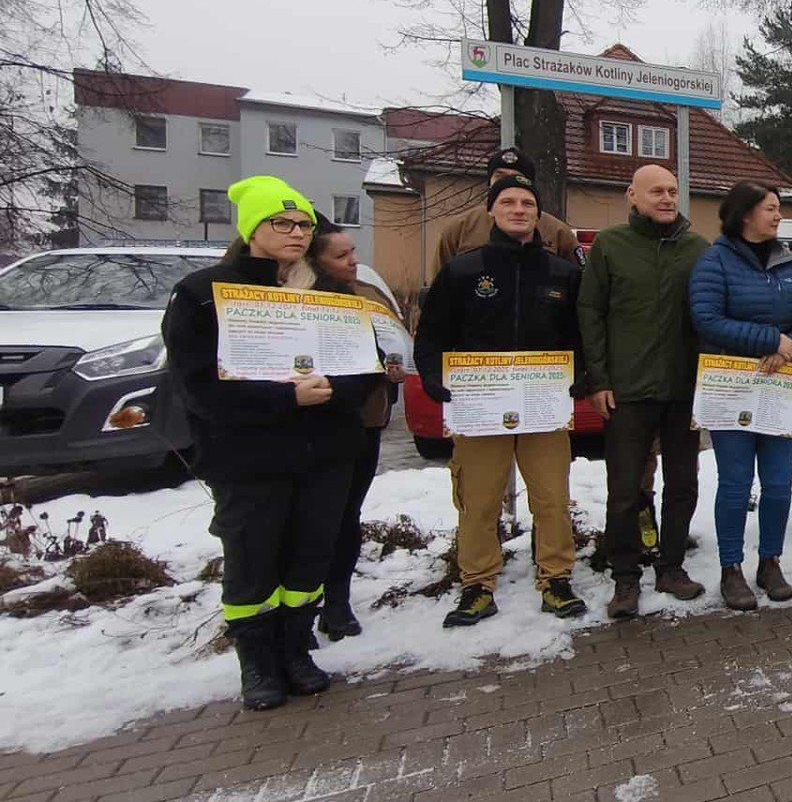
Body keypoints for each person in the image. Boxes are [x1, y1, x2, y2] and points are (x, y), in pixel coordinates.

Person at [161, 176, 376, 709]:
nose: (296, 232)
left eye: (303, 223)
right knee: (253, 558)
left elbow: (362, 366)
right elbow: (197, 386)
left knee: (310, 555)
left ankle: (296, 649)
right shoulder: (203, 294)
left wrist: (332, 392)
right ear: (252, 229)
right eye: (282, 223)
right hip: (248, 457)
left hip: (324, 454)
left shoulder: (329, 296)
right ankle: (256, 663)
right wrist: (285, 402)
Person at [415, 174, 586, 626]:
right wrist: (433, 375)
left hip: (543, 403)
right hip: (481, 405)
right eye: (508, 202)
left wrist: (583, 375)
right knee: (479, 499)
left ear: (538, 213)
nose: (518, 210)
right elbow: (432, 332)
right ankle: (477, 584)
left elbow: (582, 334)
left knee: (552, 497)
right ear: (491, 211)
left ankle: (556, 578)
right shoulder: (464, 270)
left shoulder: (563, 273)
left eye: (527, 203)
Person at [578, 164, 710, 620]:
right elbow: (590, 314)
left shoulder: (697, 249)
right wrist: (598, 379)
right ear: (631, 196)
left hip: (683, 389)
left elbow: (711, 314)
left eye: (673, 191)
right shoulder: (610, 246)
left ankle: (671, 567)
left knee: (683, 484)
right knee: (625, 488)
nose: (667, 198)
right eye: (656, 191)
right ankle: (625, 577)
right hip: (627, 391)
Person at [689, 181, 792, 611]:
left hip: (779, 386)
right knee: (735, 483)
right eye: (770, 208)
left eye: (779, 208)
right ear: (745, 214)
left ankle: (770, 562)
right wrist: (770, 338)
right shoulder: (716, 261)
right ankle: (731, 568)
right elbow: (706, 318)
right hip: (732, 386)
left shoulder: (790, 264)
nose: (778, 215)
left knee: (780, 484)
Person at [308, 219, 408, 640]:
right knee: (311, 520)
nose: (354, 261)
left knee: (347, 514)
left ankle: (338, 601)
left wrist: (393, 370)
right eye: (342, 255)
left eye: (353, 252)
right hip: (308, 425)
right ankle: (298, 610)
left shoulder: (365, 294)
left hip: (362, 421)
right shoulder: (292, 300)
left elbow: (393, 343)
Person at [428, 147, 580, 281]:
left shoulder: (557, 231)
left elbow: (579, 284)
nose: (507, 183)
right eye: (499, 177)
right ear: (489, 182)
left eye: (516, 177)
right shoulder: (460, 228)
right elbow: (439, 284)